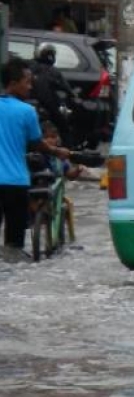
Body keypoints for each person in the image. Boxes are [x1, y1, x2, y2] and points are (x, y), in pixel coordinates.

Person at [0, 58, 70, 255]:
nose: (30, 87)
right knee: (14, 246)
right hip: (15, 183)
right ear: (13, 84)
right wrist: (58, 151)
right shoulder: (27, 111)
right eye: (27, 82)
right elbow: (36, 144)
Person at [30, 44, 75, 143]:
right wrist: (73, 95)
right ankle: (69, 150)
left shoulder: (30, 68)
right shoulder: (54, 71)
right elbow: (66, 88)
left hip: (30, 104)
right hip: (49, 106)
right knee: (64, 127)